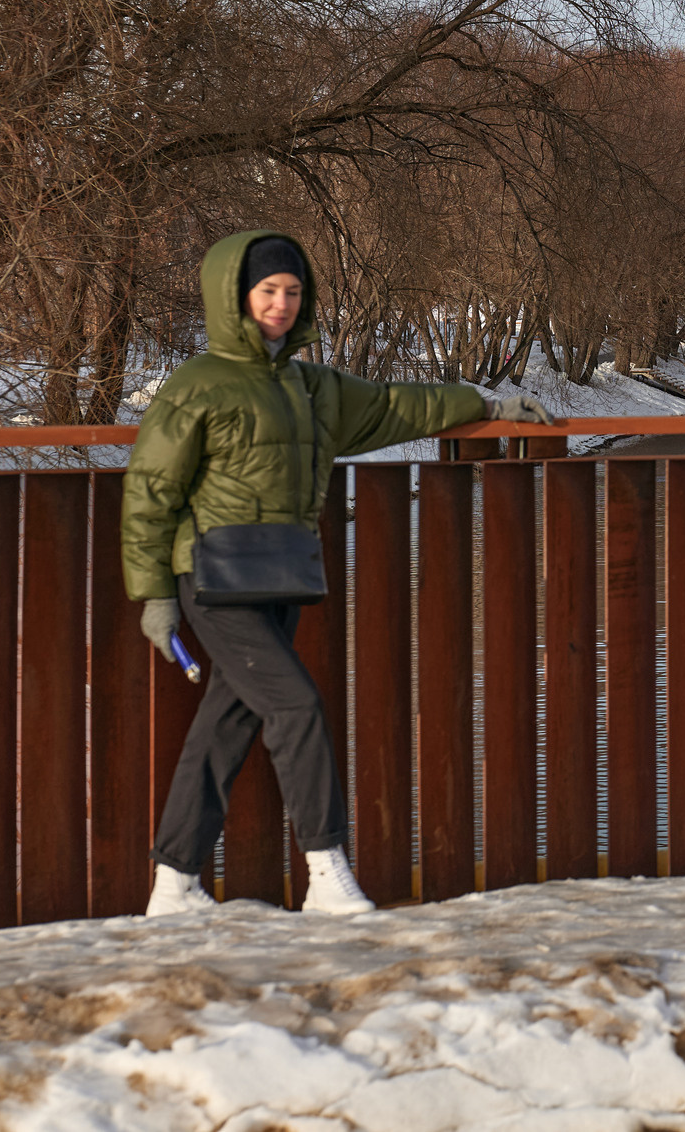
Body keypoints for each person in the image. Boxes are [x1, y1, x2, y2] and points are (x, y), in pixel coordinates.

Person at [123, 231, 552, 917]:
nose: (281, 303)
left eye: (292, 291)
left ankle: (172, 885)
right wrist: (153, 597)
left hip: (279, 576)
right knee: (297, 708)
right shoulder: (196, 386)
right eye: (268, 290)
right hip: (211, 580)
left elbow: (393, 406)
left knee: (225, 726)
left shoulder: (310, 385)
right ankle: (327, 873)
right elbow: (150, 492)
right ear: (235, 296)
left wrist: (486, 404)